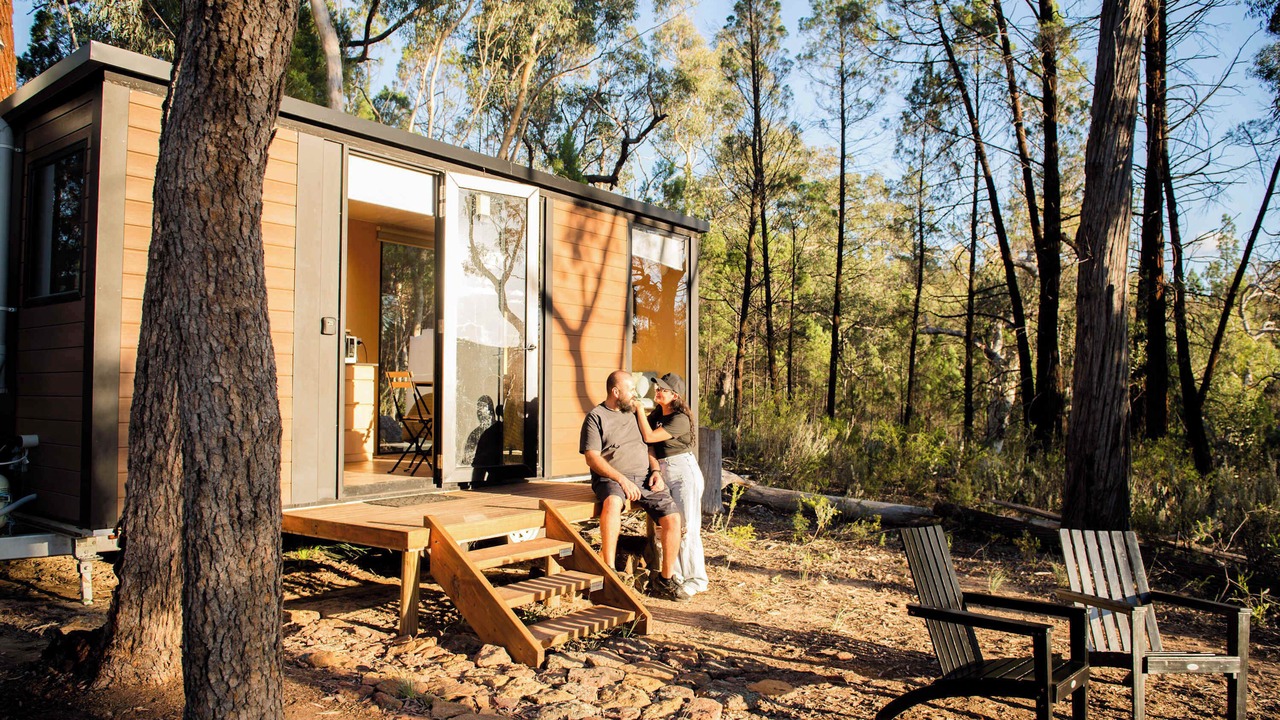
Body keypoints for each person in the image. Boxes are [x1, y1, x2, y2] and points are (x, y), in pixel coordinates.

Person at [580, 370, 686, 601]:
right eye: (631, 390)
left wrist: (656, 470)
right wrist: (621, 479)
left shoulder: (635, 414)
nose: (635, 395)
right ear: (615, 392)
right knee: (613, 502)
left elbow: (648, 446)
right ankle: (608, 569)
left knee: (673, 518)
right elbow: (592, 457)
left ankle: (664, 580)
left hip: (645, 478)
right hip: (612, 478)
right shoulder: (596, 417)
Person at [634, 372, 707, 600]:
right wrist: (655, 470)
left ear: (674, 395)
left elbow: (648, 436)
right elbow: (651, 447)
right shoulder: (657, 414)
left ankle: (696, 579)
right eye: (657, 388)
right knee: (669, 526)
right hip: (664, 471)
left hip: (683, 472)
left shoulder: (680, 418)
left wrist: (638, 409)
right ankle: (673, 575)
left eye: (663, 390)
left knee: (688, 527)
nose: (658, 391)